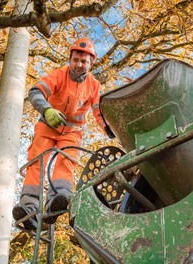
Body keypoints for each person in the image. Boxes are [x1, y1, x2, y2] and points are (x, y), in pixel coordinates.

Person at [12, 38, 114, 230]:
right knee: (36, 162)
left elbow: (99, 110)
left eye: (84, 61)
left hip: (72, 131)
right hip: (47, 126)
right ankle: (28, 206)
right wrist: (47, 110)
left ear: (91, 64)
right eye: (76, 59)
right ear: (70, 59)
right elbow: (36, 92)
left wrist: (109, 128)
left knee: (66, 161)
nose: (79, 64)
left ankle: (58, 200)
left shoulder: (94, 85)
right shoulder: (59, 75)